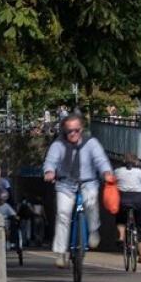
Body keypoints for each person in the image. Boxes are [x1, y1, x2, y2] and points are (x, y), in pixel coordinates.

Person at [43, 113, 115, 267]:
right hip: (65, 184)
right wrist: (49, 171)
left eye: (76, 130)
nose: (73, 134)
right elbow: (51, 160)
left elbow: (100, 160)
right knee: (63, 214)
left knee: (90, 203)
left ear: (81, 129)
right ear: (64, 131)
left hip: (88, 182)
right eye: (69, 131)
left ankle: (93, 230)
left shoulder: (91, 143)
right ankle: (61, 253)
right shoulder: (58, 145)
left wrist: (106, 172)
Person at [114, 152, 141, 264]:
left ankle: (121, 236)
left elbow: (112, 184)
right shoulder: (139, 172)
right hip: (137, 200)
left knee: (120, 219)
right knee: (140, 227)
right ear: (136, 162)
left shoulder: (117, 171)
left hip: (123, 199)